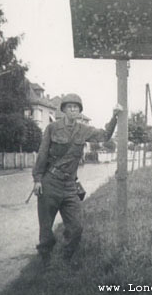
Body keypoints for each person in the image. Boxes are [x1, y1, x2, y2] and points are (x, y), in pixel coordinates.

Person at [32, 93, 123, 268]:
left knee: (76, 228)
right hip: (50, 182)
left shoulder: (83, 130)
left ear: (79, 111)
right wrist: (37, 179)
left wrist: (114, 116)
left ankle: (66, 257)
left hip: (69, 185)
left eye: (76, 107)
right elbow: (42, 153)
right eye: (69, 107)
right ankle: (45, 258)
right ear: (64, 110)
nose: (73, 110)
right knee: (45, 227)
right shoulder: (52, 128)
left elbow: (104, 136)